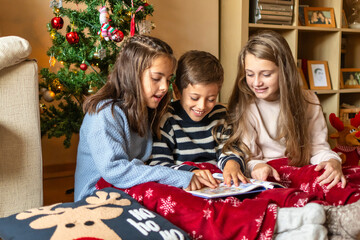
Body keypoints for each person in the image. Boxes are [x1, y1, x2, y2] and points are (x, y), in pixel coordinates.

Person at [221, 30, 360, 238]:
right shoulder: (247, 106)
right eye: (250, 74)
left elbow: (319, 148)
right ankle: (330, 217)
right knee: (283, 193)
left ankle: (347, 212)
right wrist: (258, 166)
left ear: (284, 71)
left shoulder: (308, 100)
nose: (256, 82)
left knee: (332, 178)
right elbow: (247, 157)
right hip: (271, 174)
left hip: (302, 166)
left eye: (266, 74)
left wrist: (332, 162)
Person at [74, 35, 216, 201]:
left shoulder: (147, 110)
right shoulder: (104, 113)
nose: (164, 87)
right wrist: (178, 177)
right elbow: (115, 171)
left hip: (130, 190)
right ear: (132, 73)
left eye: (168, 80)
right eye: (156, 78)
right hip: (96, 198)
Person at [149, 50, 248, 187]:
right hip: (184, 181)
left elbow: (229, 147)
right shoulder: (167, 118)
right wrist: (190, 172)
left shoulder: (219, 115)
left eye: (211, 99)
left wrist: (232, 163)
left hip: (216, 183)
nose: (202, 106)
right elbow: (159, 164)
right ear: (177, 91)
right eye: (194, 98)